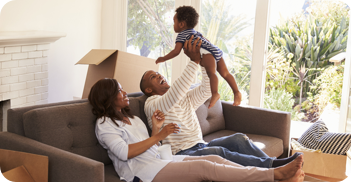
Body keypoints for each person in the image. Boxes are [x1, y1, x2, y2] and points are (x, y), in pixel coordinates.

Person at [89, 78, 305, 182]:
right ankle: (274, 174)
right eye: (119, 90)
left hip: (158, 161)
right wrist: (160, 134)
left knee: (217, 161)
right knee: (205, 166)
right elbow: (125, 153)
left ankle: (271, 174)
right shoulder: (104, 124)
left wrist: (155, 129)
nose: (125, 92)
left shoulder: (132, 118)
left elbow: (151, 146)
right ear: (107, 97)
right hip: (141, 172)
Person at [141, 34, 302, 168]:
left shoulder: (184, 97)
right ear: (148, 89)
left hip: (200, 144)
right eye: (153, 77)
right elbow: (172, 97)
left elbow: (206, 90)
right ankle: (274, 168)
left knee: (239, 138)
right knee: (219, 152)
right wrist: (194, 61)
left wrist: (204, 64)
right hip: (181, 153)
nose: (159, 76)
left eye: (158, 73)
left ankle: (276, 164)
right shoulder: (152, 103)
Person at [155, 5, 241, 108]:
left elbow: (176, 51)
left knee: (212, 73)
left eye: (174, 22)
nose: (173, 25)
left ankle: (215, 93)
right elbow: (205, 40)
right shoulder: (195, 32)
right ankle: (236, 92)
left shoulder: (181, 35)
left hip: (206, 52)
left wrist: (163, 58)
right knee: (226, 73)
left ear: (181, 24)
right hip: (214, 49)